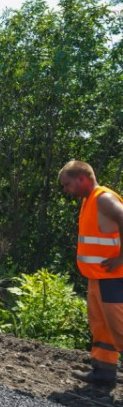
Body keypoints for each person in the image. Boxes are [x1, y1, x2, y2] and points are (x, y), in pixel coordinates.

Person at [59, 160, 123, 388]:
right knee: (101, 328)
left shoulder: (103, 198)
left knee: (119, 329)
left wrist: (121, 257)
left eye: (67, 185)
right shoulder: (89, 201)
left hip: (114, 279)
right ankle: (104, 374)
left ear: (82, 179)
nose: (66, 190)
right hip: (97, 278)